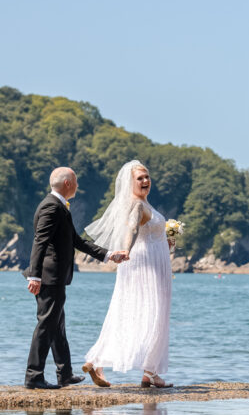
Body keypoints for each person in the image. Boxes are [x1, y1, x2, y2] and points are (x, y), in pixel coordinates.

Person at [22, 167, 129, 389]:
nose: (78, 186)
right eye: (76, 181)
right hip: (48, 277)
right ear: (68, 183)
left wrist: (109, 255)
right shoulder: (52, 207)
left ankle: (65, 374)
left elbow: (77, 241)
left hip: (54, 277)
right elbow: (39, 242)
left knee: (57, 325)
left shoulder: (58, 206)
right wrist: (34, 276)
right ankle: (34, 376)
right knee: (46, 325)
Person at [82, 160, 174, 388]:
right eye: (139, 178)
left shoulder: (145, 203)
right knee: (150, 315)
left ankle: (103, 362)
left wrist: (166, 241)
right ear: (129, 183)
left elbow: (147, 233)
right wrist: (126, 250)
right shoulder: (137, 206)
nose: (145, 181)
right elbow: (132, 228)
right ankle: (148, 371)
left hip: (152, 262)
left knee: (136, 313)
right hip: (145, 267)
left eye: (147, 177)